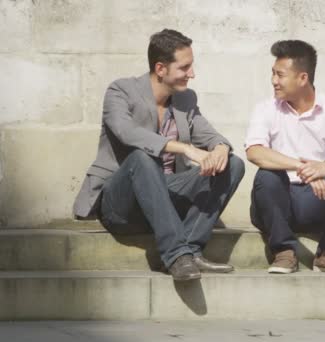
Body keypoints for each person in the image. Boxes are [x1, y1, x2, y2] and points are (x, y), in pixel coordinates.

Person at [73, 29, 245, 281]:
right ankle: (176, 255)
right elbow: (127, 133)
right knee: (141, 158)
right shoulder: (121, 91)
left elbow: (209, 135)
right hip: (122, 206)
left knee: (233, 164)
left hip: (166, 196)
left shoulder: (185, 100)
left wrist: (220, 148)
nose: (192, 74)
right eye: (184, 68)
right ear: (161, 68)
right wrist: (185, 148)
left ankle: (191, 249)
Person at [245, 40, 325, 274]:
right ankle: (284, 252)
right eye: (273, 74)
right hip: (276, 201)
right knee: (267, 175)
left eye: (280, 75)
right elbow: (254, 152)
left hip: (316, 200)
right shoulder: (266, 109)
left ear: (302, 78)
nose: (274, 81)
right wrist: (303, 167)